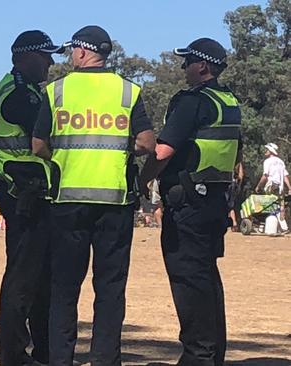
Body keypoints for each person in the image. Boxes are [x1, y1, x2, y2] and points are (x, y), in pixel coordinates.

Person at [32, 25, 155, 365]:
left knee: (64, 287)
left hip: (68, 201)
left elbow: (38, 144)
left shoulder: (57, 91)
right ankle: (105, 358)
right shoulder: (128, 91)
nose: (71, 56)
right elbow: (146, 143)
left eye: (72, 50)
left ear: (83, 52)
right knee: (111, 287)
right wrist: (118, 150)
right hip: (114, 202)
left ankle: (60, 357)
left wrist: (64, 156)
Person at [139, 38, 241, 365]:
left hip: (188, 204)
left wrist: (141, 179)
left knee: (188, 278)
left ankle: (198, 355)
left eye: (187, 63)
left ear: (202, 66)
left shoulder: (191, 101)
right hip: (214, 200)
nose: (183, 69)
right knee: (207, 276)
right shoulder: (228, 101)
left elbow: (164, 150)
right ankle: (213, 353)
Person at [0, 30, 64, 366]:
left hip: (29, 190)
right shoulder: (21, 93)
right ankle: (16, 355)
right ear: (24, 56)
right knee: (23, 278)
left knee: (39, 277)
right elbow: (46, 136)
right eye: (44, 56)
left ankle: (41, 351)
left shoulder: (24, 88)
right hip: (24, 192)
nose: (50, 62)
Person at [255, 142, 290, 232]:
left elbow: (265, 176)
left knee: (268, 206)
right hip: (280, 188)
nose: (265, 151)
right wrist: (289, 188)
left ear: (271, 151)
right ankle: (284, 227)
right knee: (279, 206)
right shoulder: (281, 162)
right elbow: (285, 176)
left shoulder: (267, 161)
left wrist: (258, 186)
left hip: (271, 186)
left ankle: (263, 226)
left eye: (267, 150)